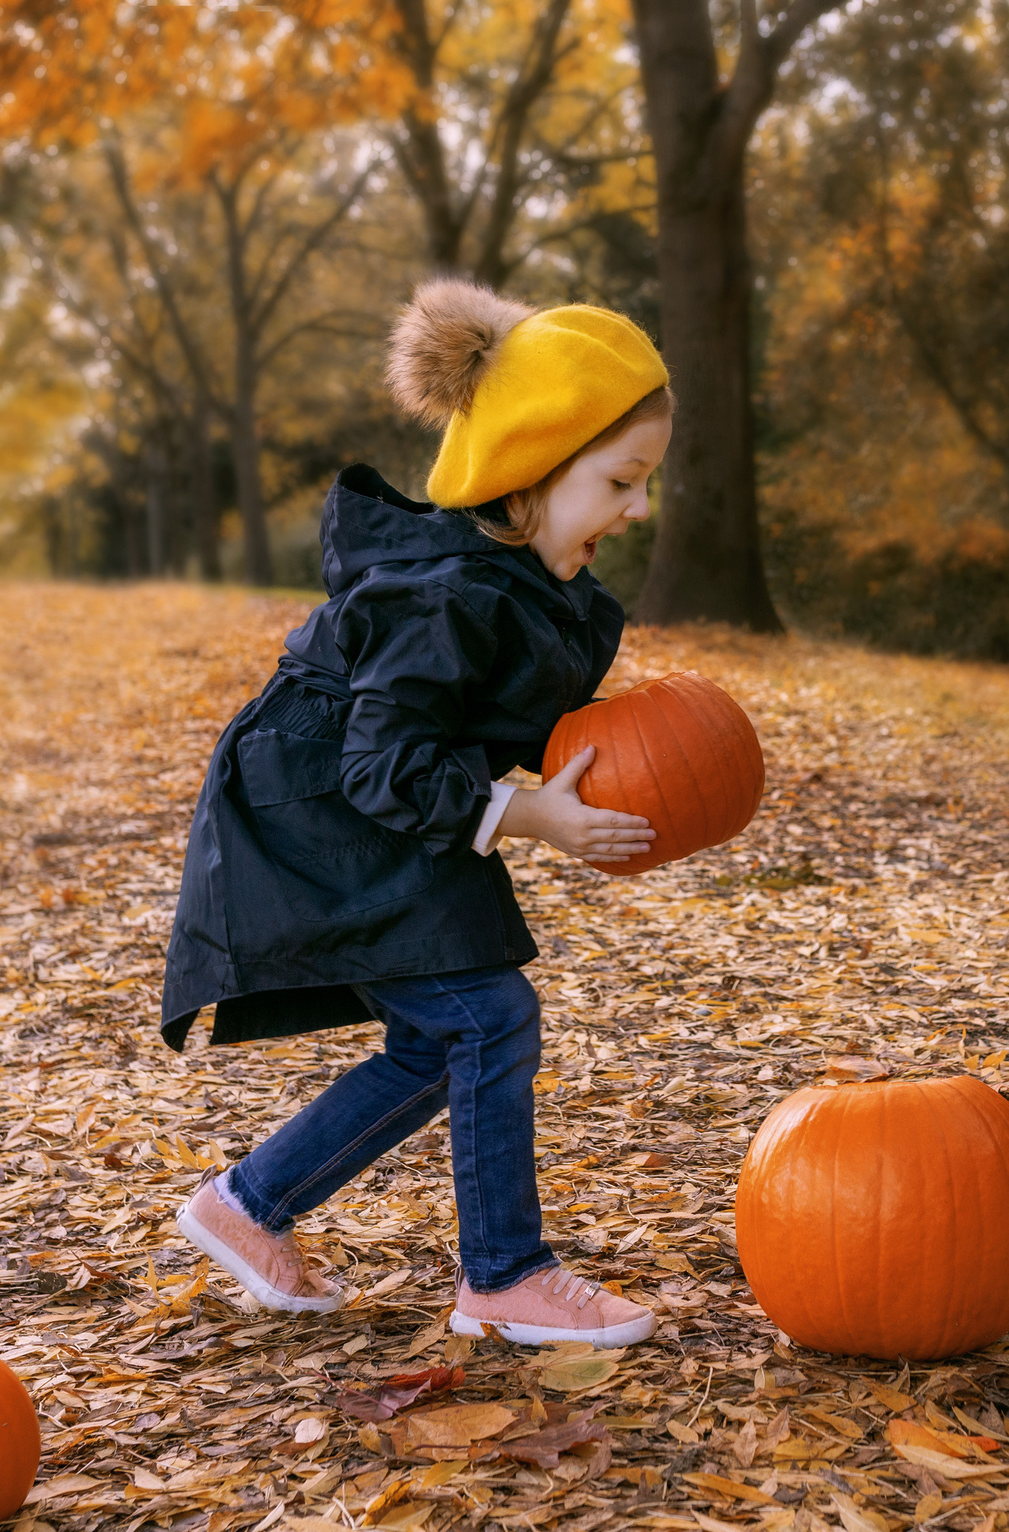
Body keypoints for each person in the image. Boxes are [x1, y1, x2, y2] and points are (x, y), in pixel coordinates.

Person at [157, 279, 670, 1347]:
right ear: (530, 469)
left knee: (450, 1033)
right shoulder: (441, 596)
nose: (639, 508)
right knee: (485, 1017)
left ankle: (247, 1206)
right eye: (620, 480)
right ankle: (504, 1275)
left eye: (645, 482)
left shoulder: (527, 587)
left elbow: (509, 725)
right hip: (327, 818)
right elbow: (382, 762)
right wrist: (529, 818)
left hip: (377, 812)